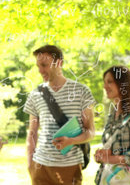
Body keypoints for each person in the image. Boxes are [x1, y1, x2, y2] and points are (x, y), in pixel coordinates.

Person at [24, 45, 96, 185]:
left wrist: (71, 141)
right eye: (38, 66)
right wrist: (30, 164)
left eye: (44, 65)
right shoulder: (35, 94)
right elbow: (32, 133)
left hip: (70, 167)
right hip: (40, 167)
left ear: (59, 63)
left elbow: (91, 131)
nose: (40, 70)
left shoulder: (82, 91)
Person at [94, 66, 130, 185]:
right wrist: (104, 153)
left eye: (109, 82)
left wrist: (109, 159)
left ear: (122, 83)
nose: (105, 86)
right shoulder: (114, 112)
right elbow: (112, 145)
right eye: (104, 82)